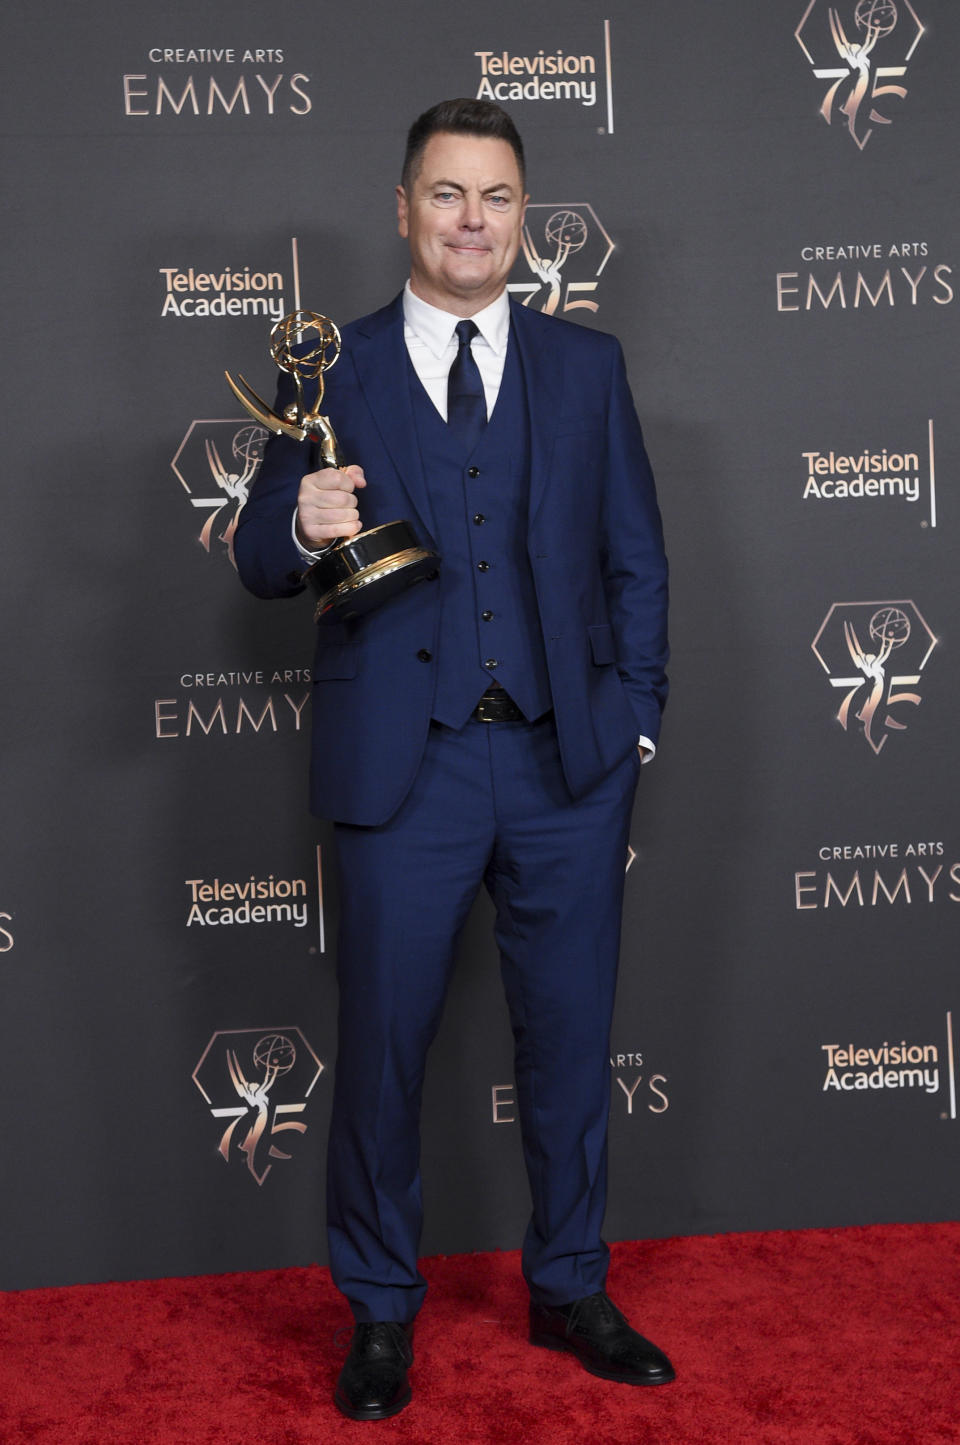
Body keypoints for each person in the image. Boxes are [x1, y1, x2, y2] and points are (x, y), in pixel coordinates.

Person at [234, 97, 672, 1421]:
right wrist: (298, 520)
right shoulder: (335, 369)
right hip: (400, 775)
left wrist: (630, 720)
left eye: (495, 197)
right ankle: (378, 1310)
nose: (471, 219)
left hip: (561, 770)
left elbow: (636, 558)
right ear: (405, 208)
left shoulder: (587, 366)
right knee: (379, 1056)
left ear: (523, 218)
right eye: (446, 194)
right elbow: (260, 554)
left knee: (570, 1042)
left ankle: (571, 1284)